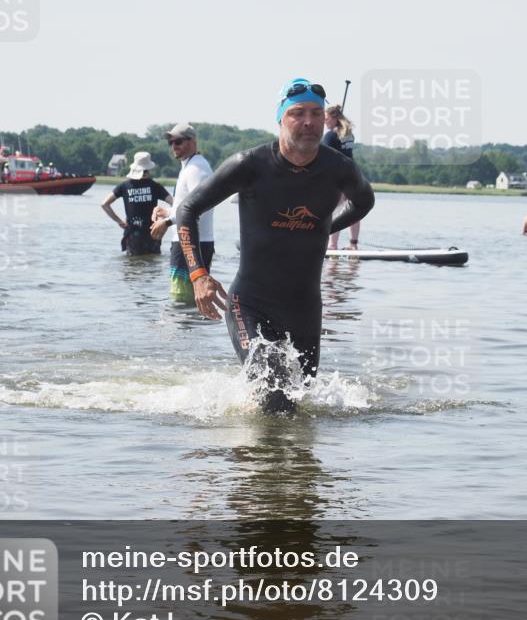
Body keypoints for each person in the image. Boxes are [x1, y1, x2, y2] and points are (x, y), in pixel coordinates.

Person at [176, 77, 375, 414]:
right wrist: (198, 274)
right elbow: (187, 209)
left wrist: (323, 225)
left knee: (301, 403)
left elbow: (364, 202)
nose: (309, 122)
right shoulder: (249, 166)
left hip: (305, 309)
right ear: (281, 119)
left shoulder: (338, 169)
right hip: (250, 305)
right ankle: (256, 463)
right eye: (298, 113)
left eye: (315, 113)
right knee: (276, 397)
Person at [150, 123, 216, 303]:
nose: (174, 146)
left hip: (193, 243)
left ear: (192, 141)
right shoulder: (189, 167)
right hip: (187, 241)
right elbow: (187, 206)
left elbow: (200, 206)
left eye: (178, 141)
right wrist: (168, 212)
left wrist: (167, 222)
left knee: (183, 300)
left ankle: (185, 331)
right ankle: (184, 331)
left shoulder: (196, 169)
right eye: (170, 142)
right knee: (184, 298)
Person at [101, 152, 172, 255]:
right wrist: (165, 220)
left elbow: (104, 204)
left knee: (132, 266)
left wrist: (119, 221)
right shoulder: (155, 186)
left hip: (133, 234)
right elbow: (174, 203)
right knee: (152, 266)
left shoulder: (124, 186)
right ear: (148, 170)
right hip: (153, 233)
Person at [324, 104, 362, 250]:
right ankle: (353, 244)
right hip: (353, 174)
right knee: (353, 209)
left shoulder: (330, 135)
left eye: (326, 118)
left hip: (339, 177)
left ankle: (332, 245)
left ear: (334, 118)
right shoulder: (348, 134)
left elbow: (324, 157)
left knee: (337, 210)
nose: (324, 121)